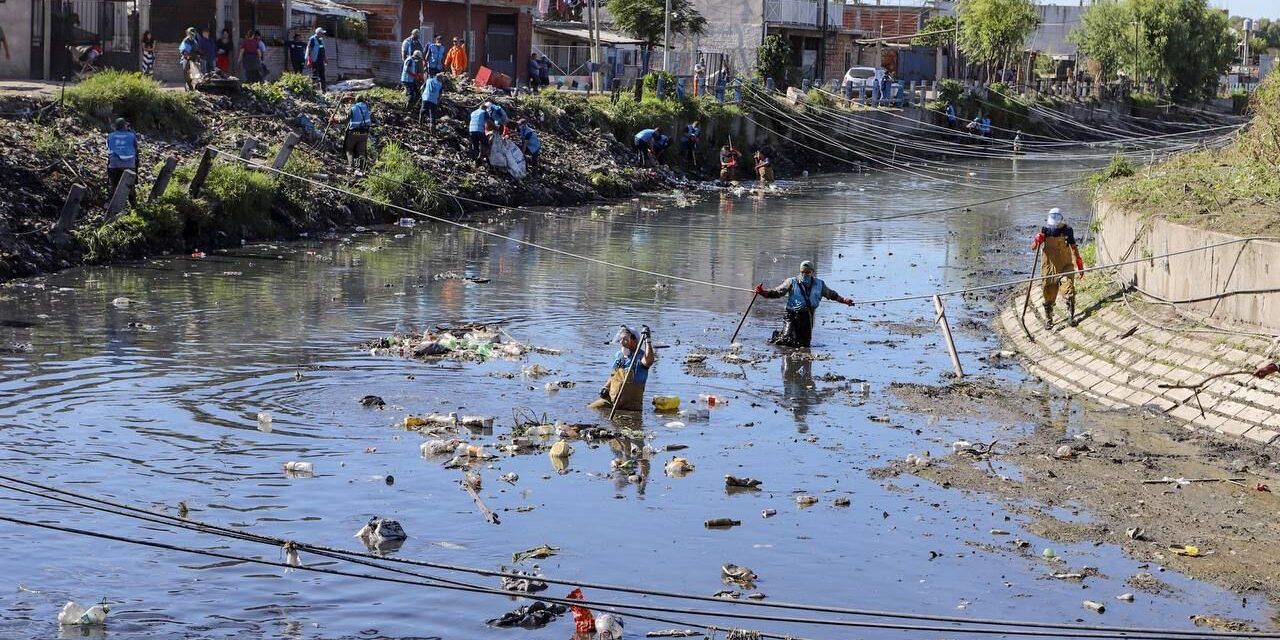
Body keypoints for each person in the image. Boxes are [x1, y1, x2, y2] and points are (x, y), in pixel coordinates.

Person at [753, 261, 853, 348]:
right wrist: (762, 292)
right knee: (787, 340)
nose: (805, 274)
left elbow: (832, 295)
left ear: (812, 272)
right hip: (791, 314)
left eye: (807, 272)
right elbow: (777, 292)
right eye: (803, 272)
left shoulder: (820, 284)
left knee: (805, 343)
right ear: (800, 272)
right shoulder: (791, 282)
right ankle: (778, 337)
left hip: (808, 315)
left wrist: (844, 300)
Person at [1031, 207, 1085, 328]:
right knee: (1048, 293)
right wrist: (1037, 239)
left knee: (1069, 290)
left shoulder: (1068, 230)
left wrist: (1079, 264)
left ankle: (1070, 317)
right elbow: (1033, 247)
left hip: (1065, 266)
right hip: (1049, 267)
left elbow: (1074, 248)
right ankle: (1049, 319)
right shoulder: (1045, 230)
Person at [588, 326, 657, 412]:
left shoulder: (641, 357)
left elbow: (649, 361)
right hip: (611, 401)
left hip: (630, 407)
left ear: (634, 340)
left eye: (624, 339)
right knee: (591, 409)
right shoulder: (619, 356)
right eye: (620, 339)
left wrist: (648, 341)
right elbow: (613, 375)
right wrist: (605, 387)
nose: (621, 342)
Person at [106, 118, 139, 206]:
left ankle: (111, 208)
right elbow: (136, 150)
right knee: (130, 187)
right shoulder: (132, 135)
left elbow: (109, 150)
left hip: (114, 165)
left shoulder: (110, 136)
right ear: (125, 126)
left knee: (114, 187)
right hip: (129, 165)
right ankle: (134, 207)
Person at [342, 94, 372, 168]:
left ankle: (351, 166)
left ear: (356, 100)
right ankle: (362, 168)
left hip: (353, 134)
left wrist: (335, 120)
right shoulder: (367, 107)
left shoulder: (353, 108)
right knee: (361, 152)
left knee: (349, 150)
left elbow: (345, 119)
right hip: (364, 133)